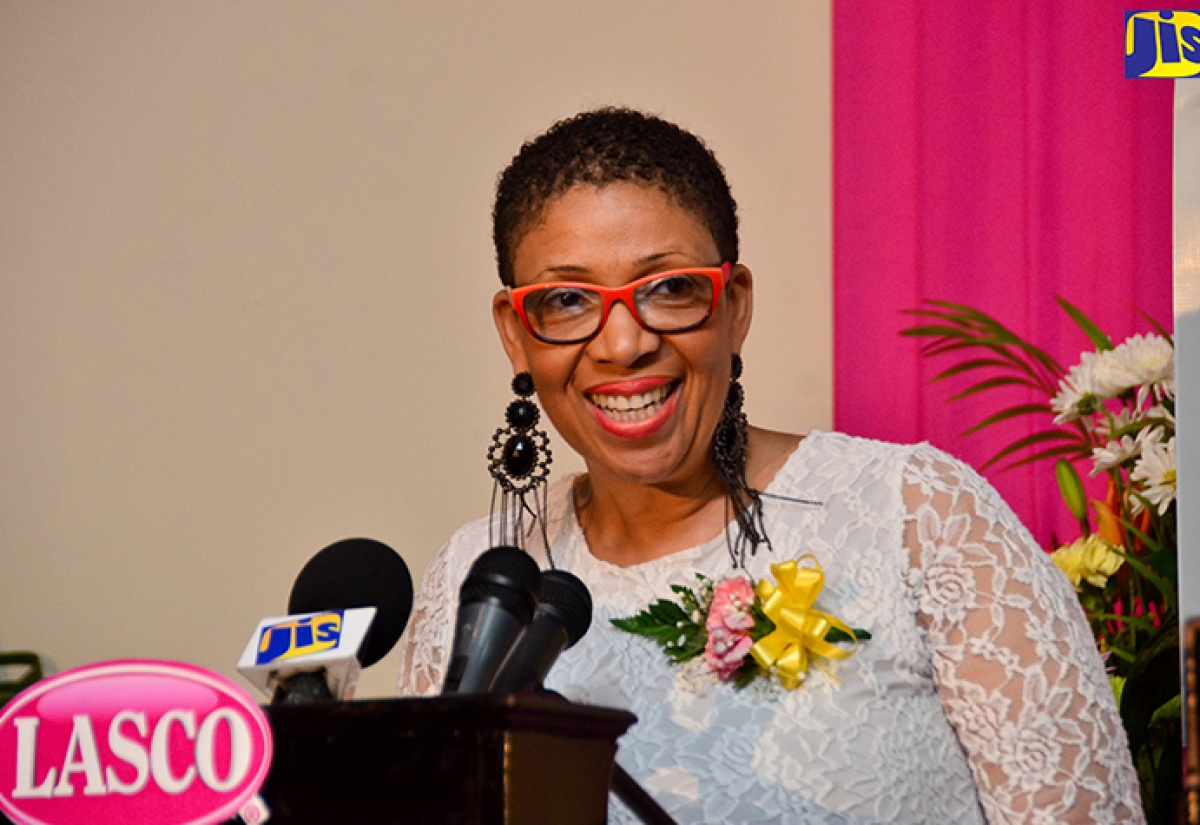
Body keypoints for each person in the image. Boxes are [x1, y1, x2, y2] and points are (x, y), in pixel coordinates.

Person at [397, 108, 1143, 823]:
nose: (623, 343)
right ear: (516, 333)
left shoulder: (917, 515)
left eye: (668, 289)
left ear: (734, 304)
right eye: (567, 299)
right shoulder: (474, 581)